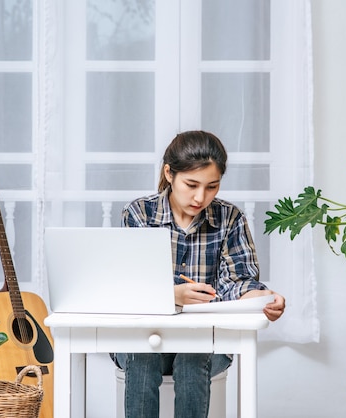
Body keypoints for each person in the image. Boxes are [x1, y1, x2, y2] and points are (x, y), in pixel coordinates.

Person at [112, 130, 286, 418]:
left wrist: (261, 297)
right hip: (145, 338)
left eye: (212, 187)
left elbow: (238, 282)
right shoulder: (139, 214)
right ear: (169, 173)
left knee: (193, 355)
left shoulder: (230, 219)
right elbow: (126, 288)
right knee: (142, 355)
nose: (200, 197)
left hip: (207, 341)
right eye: (191, 184)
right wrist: (173, 296)